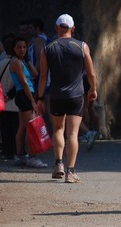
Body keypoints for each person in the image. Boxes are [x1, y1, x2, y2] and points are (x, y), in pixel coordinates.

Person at [35, 13, 98, 183]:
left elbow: (43, 77)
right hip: (76, 95)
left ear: (56, 28)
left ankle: (58, 165)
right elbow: (91, 73)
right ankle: (71, 172)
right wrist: (93, 89)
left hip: (56, 95)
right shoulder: (82, 46)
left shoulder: (47, 49)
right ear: (73, 28)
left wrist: (40, 98)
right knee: (73, 133)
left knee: (57, 129)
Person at [10, 36, 47, 168]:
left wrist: (28, 60)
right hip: (25, 95)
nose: (22, 50)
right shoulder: (15, 62)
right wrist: (32, 101)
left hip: (25, 95)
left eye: (24, 47)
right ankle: (31, 156)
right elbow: (24, 83)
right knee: (32, 126)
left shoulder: (22, 61)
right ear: (13, 48)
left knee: (23, 126)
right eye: (19, 47)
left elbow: (36, 73)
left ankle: (20, 156)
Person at [0, 33, 18, 160]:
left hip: (1, 101)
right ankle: (15, 151)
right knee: (15, 128)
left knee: (4, 128)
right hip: (14, 102)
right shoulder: (17, 64)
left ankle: (6, 151)